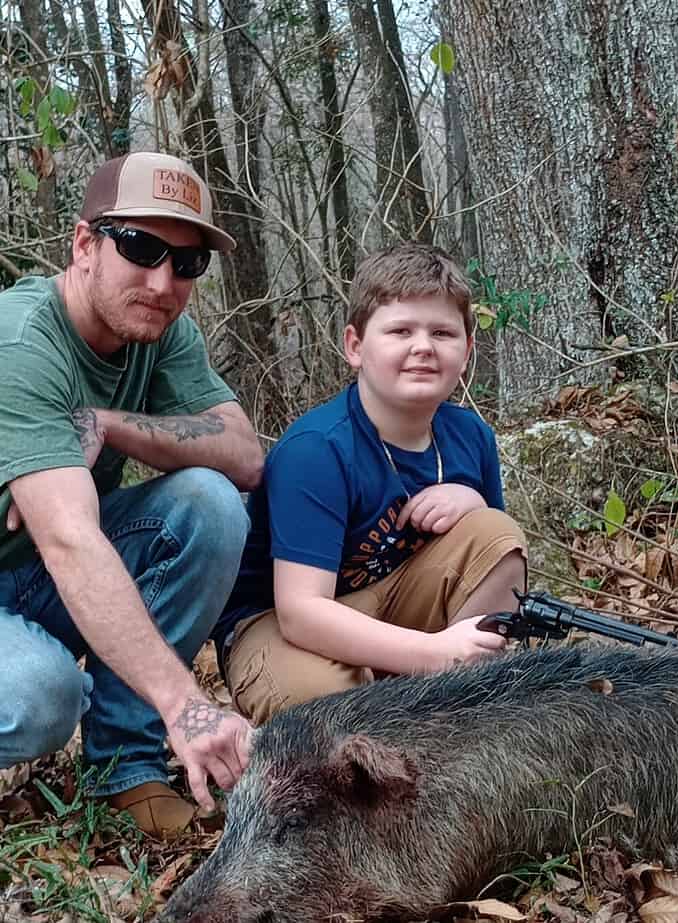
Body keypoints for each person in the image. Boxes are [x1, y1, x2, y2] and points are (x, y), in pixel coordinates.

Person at [0, 151, 264, 837]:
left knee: (208, 503)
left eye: (186, 262)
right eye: (140, 247)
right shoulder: (22, 341)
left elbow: (241, 454)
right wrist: (188, 707)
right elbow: (70, 538)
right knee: (39, 695)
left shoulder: (161, 329)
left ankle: (127, 767)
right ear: (84, 244)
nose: (162, 280)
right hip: (44, 561)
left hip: (27, 574)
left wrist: (109, 423)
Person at [212, 242, 527, 725]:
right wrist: (432, 653)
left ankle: (458, 716)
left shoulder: (471, 436)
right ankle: (409, 695)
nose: (423, 346)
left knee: (496, 534)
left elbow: (494, 565)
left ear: (467, 351)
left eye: (442, 332)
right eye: (400, 330)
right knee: (326, 705)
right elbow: (301, 612)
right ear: (355, 346)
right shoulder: (317, 449)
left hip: (391, 605)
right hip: (278, 623)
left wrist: (473, 499)